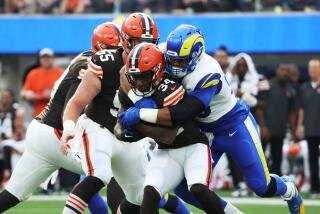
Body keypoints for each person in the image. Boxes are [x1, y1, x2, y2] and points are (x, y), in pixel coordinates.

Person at [120, 24, 304, 214]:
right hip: (204, 132)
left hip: (233, 125)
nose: (174, 66)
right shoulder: (164, 52)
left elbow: (186, 111)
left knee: (261, 186)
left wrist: (141, 113)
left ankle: (288, 189)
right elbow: (126, 72)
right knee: (185, 189)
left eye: (181, 62)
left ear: (196, 55)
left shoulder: (208, 72)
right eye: (171, 61)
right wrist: (138, 100)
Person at [60, 13, 190, 214]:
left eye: (149, 42)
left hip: (129, 135)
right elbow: (76, 103)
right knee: (98, 175)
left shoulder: (159, 66)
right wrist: (68, 128)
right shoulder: (105, 62)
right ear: (125, 41)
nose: (143, 47)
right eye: (138, 41)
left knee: (141, 195)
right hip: (98, 127)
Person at [0, 22, 123, 213]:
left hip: (41, 131)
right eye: (111, 49)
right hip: (57, 133)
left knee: (13, 193)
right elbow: (73, 105)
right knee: (113, 169)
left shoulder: (88, 58)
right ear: (100, 48)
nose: (115, 54)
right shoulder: (89, 66)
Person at [118, 43, 224, 214]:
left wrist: (139, 118)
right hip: (166, 151)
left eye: (144, 76)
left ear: (158, 71)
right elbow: (120, 126)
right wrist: (125, 130)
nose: (138, 82)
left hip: (193, 145)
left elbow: (168, 134)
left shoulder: (170, 88)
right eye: (135, 77)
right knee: (150, 193)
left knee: (198, 189)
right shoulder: (130, 90)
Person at [256, 64, 298, 175]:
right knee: (259, 158)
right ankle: (257, 183)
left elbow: (292, 113)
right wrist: (263, 127)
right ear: (277, 71)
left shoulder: (290, 90)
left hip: (280, 130)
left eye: (287, 71)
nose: (284, 73)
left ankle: (275, 185)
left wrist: (293, 131)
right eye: (282, 70)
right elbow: (259, 109)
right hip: (266, 129)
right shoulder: (267, 85)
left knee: (278, 158)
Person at [296, 59, 320, 197]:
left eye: (316, 67)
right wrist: (300, 125)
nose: (313, 70)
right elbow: (301, 109)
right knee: (311, 159)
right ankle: (315, 188)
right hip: (311, 128)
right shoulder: (304, 88)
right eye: (310, 67)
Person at [21, 48, 63, 117]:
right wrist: (28, 94)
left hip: (56, 114)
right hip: (38, 114)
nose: (46, 59)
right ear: (40, 59)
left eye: (48, 57)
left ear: (53, 58)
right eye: (43, 57)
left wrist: (52, 94)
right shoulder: (33, 73)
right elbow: (23, 93)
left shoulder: (60, 73)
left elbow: (67, 93)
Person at [0, 89, 25, 185]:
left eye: (6, 97)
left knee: (6, 146)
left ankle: (7, 174)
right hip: (3, 141)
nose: (3, 100)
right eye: (2, 97)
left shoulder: (17, 110)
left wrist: (8, 139)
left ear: (11, 98)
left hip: (16, 141)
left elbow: (18, 131)